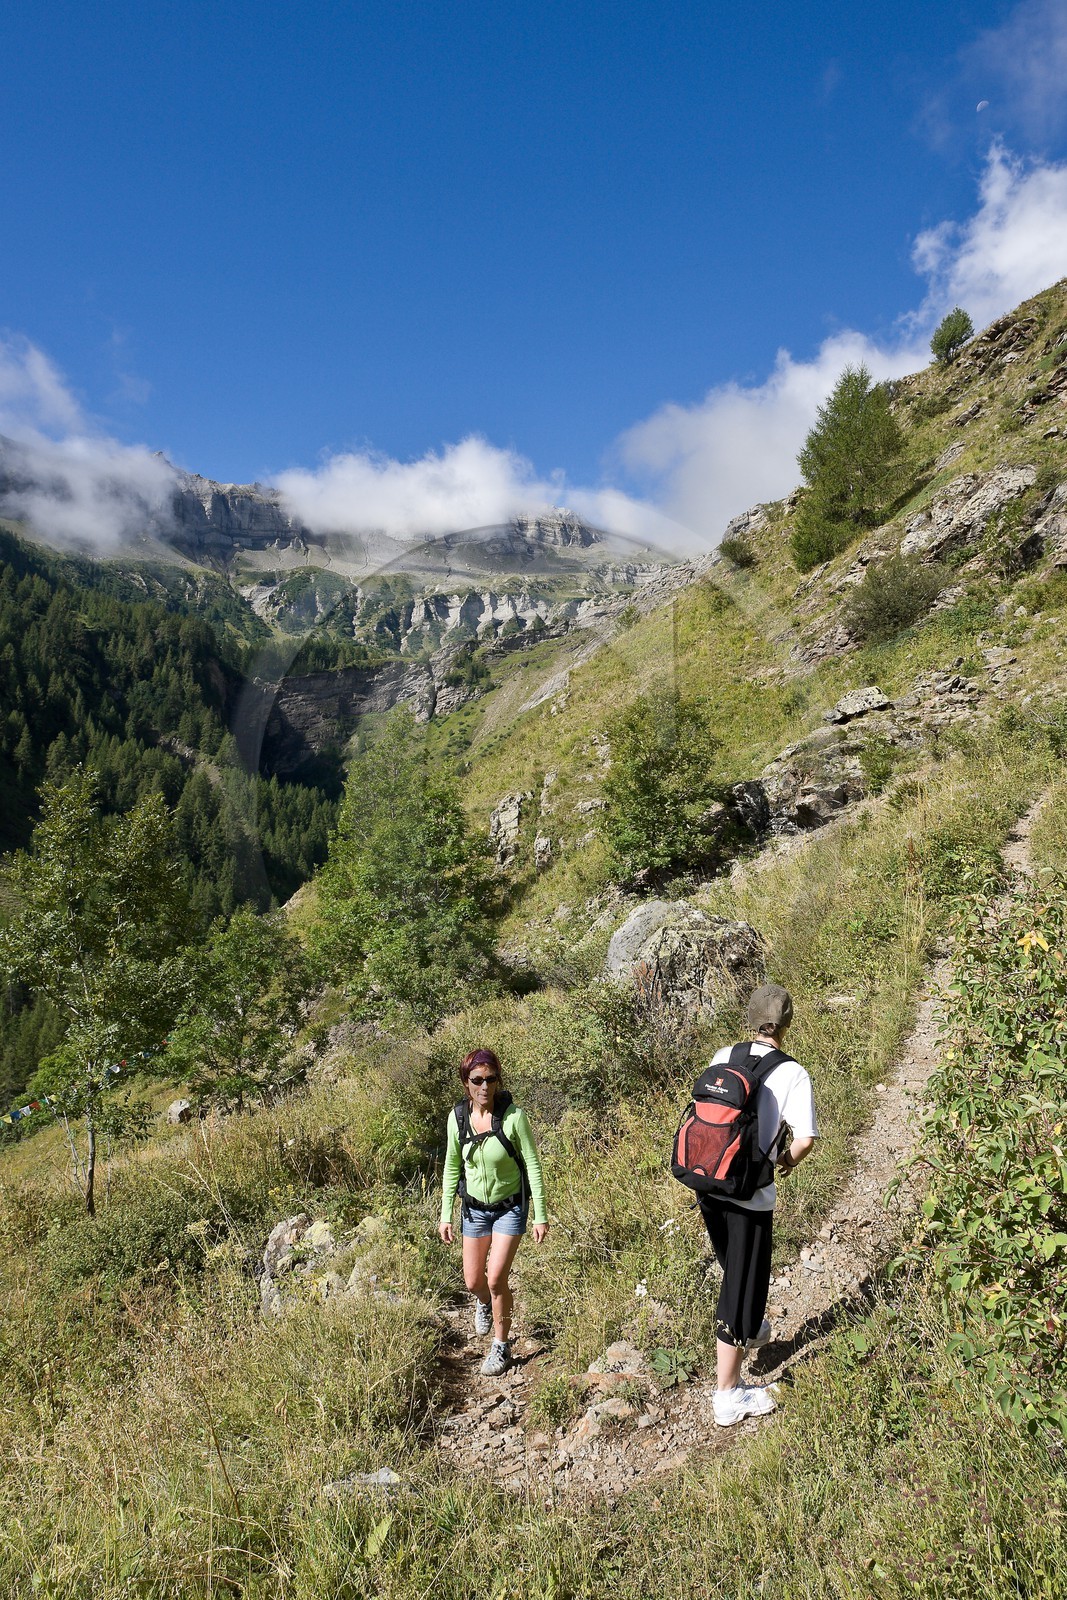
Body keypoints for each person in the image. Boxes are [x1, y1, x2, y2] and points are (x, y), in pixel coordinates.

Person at [699, 983, 817, 1427]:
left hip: (708, 1182)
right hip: (750, 1196)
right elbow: (804, 1139)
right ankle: (728, 1394)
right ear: (787, 1023)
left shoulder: (722, 1055)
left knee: (736, 1271)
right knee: (740, 1286)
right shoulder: (792, 1073)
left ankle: (750, 1326)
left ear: (750, 1019)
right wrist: (785, 1161)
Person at [438, 1048, 549, 1376]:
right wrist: (446, 1214)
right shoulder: (457, 1119)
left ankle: (501, 1345)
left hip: (509, 1209)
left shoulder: (514, 1117)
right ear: (466, 1082)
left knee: (496, 1278)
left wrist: (540, 1214)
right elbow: (451, 1166)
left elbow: (533, 1165)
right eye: (477, 1080)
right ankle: (484, 1301)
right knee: (474, 1281)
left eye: (491, 1079)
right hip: (474, 1210)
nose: (485, 1086)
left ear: (498, 1080)